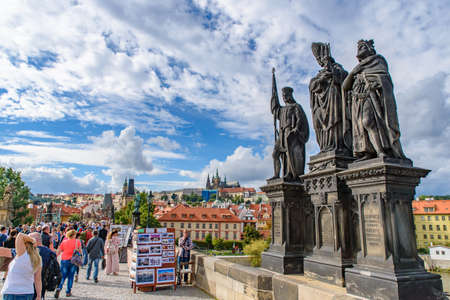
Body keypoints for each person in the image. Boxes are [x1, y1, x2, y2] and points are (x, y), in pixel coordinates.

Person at [342, 39, 407, 161]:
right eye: (358, 48)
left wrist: (374, 83)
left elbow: (384, 78)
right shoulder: (358, 68)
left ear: (369, 49)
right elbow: (345, 86)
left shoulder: (377, 60)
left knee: (368, 122)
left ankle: (381, 151)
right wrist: (353, 73)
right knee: (360, 126)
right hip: (357, 101)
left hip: (371, 97)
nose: (359, 50)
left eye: (362, 47)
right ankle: (368, 152)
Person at [310, 42, 351, 154]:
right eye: (318, 59)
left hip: (334, 99)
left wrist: (332, 72)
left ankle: (338, 146)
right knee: (322, 126)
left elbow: (345, 77)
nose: (319, 61)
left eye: (320, 58)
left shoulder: (337, 68)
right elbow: (313, 86)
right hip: (321, 103)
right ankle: (326, 146)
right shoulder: (319, 74)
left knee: (335, 121)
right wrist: (321, 80)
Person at [270, 71, 310, 181]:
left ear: (290, 95)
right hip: (282, 134)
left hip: (290, 133)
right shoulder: (282, 109)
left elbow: (301, 120)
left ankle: (289, 173)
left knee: (289, 154)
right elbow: (275, 109)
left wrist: (296, 129)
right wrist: (274, 95)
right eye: (282, 96)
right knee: (275, 154)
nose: (283, 97)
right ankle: (276, 174)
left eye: (285, 95)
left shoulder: (296, 107)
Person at [0, 232, 42, 300]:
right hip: (28, 291)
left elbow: (20, 235)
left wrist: (32, 240)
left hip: (12, 291)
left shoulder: (21, 254)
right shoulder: (38, 259)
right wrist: (39, 295)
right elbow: (38, 279)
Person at [29, 232, 59, 300]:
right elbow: (56, 268)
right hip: (43, 282)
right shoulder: (49, 252)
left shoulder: (29, 251)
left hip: (30, 283)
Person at [54, 229, 81, 298]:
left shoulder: (64, 242)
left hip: (64, 260)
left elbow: (59, 251)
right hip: (73, 261)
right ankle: (68, 292)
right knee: (70, 277)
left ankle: (59, 288)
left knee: (62, 276)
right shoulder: (77, 241)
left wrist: (55, 257)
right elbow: (80, 251)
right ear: (74, 235)